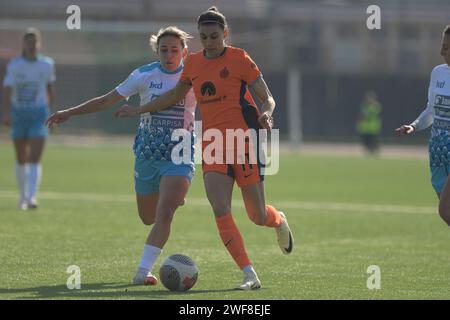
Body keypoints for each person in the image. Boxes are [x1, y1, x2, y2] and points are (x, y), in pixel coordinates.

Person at [115, 7, 294, 290]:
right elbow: (172, 97)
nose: (209, 42)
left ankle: (278, 219)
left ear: (225, 34)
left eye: (214, 36)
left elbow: (268, 98)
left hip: (245, 140)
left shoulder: (239, 58)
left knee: (256, 215)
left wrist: (267, 113)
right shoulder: (194, 64)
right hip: (212, 144)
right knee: (220, 208)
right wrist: (139, 110)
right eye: (204, 37)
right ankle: (249, 274)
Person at [45, 26, 197, 285]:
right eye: (164, 50)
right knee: (147, 217)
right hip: (148, 153)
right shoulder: (144, 75)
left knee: (165, 213)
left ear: (184, 51)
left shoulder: (194, 75)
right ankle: (170, 194)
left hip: (180, 152)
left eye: (174, 49)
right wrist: (70, 112)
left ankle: (142, 272)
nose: (169, 54)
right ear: (156, 51)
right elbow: (107, 100)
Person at [395, 24, 450, 227]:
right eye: (442, 45)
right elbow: (431, 111)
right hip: (438, 152)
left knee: (445, 211)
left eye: (446, 47)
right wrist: (414, 126)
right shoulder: (438, 73)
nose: (441, 51)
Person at [1, 28, 56, 210]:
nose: (31, 46)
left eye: (34, 42)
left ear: (39, 44)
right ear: (23, 44)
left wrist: (53, 114)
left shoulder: (47, 65)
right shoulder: (15, 65)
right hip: (19, 114)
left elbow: (50, 90)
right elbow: (8, 90)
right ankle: (22, 196)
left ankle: (32, 197)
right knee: (21, 157)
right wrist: (7, 113)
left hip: (38, 114)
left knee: (34, 157)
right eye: (28, 42)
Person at [357, 91, 382, 155]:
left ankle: (374, 151)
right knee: (366, 142)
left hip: (373, 128)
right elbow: (361, 116)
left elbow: (372, 114)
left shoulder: (375, 106)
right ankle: (369, 152)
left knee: (373, 142)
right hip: (365, 128)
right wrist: (360, 124)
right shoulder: (365, 106)